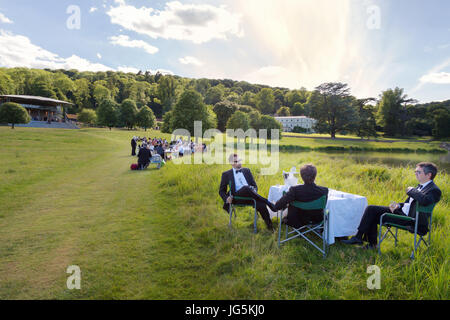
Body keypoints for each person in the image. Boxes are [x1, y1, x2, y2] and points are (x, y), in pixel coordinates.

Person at [342, 162, 442, 249]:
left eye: (418, 172)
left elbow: (425, 201)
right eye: (415, 172)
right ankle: (365, 241)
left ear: (429, 175)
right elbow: (410, 204)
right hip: (403, 213)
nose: (416, 174)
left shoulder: (434, 190)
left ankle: (362, 240)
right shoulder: (420, 187)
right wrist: (399, 205)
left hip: (411, 220)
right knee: (372, 210)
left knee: (372, 211)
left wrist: (412, 190)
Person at [219, 154, 276, 232]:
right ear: (231, 163)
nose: (239, 163)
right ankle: (268, 202)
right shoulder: (226, 174)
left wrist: (253, 190)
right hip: (236, 198)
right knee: (246, 188)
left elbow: (255, 186)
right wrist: (226, 198)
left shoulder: (247, 170)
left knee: (261, 204)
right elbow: (221, 191)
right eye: (236, 161)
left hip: (251, 197)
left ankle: (270, 227)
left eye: (239, 160)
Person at [273, 164, 329, 228]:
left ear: (301, 176)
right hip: (317, 220)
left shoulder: (294, 190)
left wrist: (286, 205)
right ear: (315, 176)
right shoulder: (324, 190)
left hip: (297, 221)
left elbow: (278, 206)